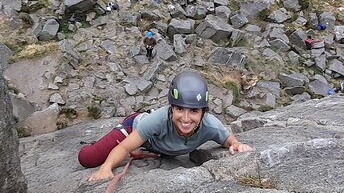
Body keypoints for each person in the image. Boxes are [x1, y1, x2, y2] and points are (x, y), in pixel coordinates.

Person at [78, 71, 254, 181]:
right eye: (179, 109)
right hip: (135, 128)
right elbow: (125, 147)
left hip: (155, 143)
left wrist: (236, 145)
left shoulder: (211, 125)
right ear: (171, 109)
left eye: (193, 111)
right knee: (88, 158)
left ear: (203, 112)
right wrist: (106, 168)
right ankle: (96, 144)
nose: (185, 118)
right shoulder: (157, 120)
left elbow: (227, 139)